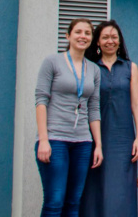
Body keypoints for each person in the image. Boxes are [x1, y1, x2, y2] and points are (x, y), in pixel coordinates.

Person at [35, 18, 103, 216]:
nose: (83, 36)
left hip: (82, 142)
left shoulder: (93, 69)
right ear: (68, 36)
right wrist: (44, 140)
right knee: (54, 202)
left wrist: (98, 145)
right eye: (78, 32)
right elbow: (41, 100)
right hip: (55, 139)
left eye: (87, 33)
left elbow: (94, 108)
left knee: (74, 203)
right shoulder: (52, 62)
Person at [80, 19, 138, 217]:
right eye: (105, 37)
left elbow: (136, 104)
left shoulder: (130, 67)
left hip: (124, 139)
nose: (110, 41)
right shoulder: (89, 67)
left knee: (122, 190)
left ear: (119, 41)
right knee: (94, 189)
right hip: (95, 137)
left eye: (114, 37)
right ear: (97, 42)